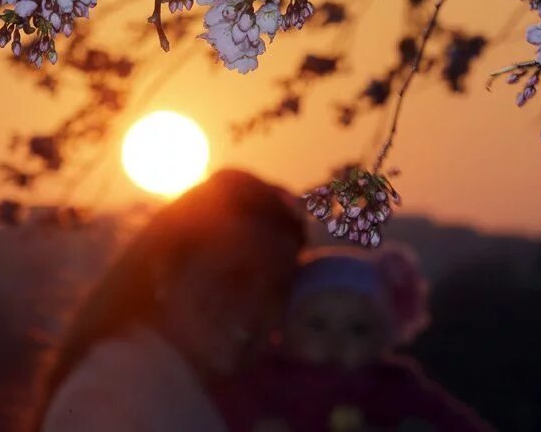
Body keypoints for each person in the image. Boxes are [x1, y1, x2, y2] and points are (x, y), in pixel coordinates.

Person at [35, 169, 307, 432]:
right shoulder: (108, 399)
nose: (255, 306)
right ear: (164, 269)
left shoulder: (236, 399)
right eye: (233, 279)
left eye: (277, 290)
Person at [219, 246, 493, 432]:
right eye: (317, 325)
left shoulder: (397, 387)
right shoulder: (262, 380)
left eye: (358, 329)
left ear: (384, 337)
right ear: (285, 327)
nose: (336, 342)